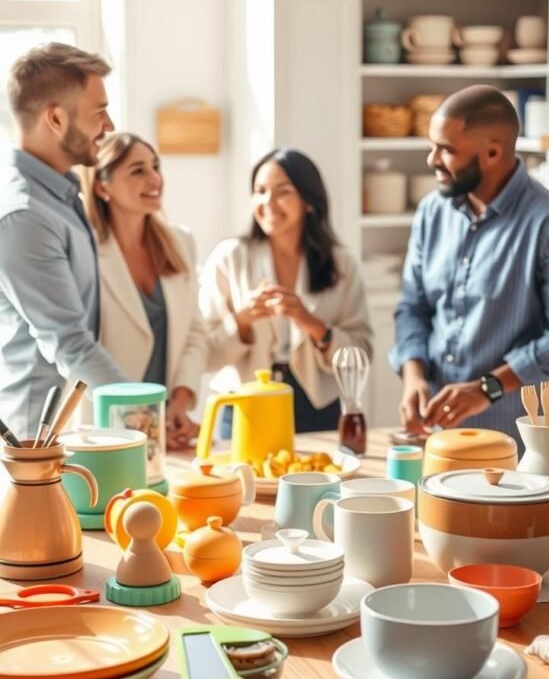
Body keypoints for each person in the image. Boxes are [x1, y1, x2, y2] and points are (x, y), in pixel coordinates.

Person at [391, 84, 549, 445]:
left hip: (513, 440)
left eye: (446, 150)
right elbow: (411, 308)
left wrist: (487, 388)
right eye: (432, 146)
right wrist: (413, 376)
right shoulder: (432, 212)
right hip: (434, 437)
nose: (432, 160)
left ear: (493, 152)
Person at [0, 42, 127, 440]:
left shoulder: (61, 198)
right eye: (99, 111)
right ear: (55, 119)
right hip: (37, 446)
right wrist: (141, 414)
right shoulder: (25, 217)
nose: (109, 125)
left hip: (72, 432)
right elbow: (70, 343)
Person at [199, 147, 373, 434]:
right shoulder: (229, 258)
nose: (268, 202)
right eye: (260, 190)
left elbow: (360, 355)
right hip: (243, 404)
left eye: (283, 191)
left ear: (309, 201)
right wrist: (242, 322)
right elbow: (203, 354)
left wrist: (312, 324)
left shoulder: (340, 263)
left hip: (316, 407)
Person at [82, 133, 208, 449]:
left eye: (155, 166)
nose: (155, 179)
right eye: (138, 170)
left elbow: (195, 332)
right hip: (103, 430)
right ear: (102, 186)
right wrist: (139, 415)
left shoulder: (180, 242)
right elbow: (79, 348)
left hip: (164, 427)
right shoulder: (86, 253)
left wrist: (179, 401)